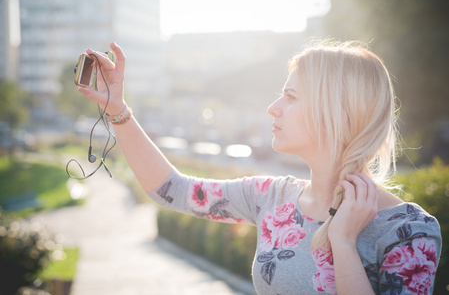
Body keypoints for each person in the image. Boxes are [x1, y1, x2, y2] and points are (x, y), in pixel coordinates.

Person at [77, 39, 442, 294]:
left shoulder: (410, 231)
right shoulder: (272, 198)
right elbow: (173, 190)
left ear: (335, 111)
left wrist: (343, 242)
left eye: (291, 96)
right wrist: (117, 111)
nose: (274, 107)